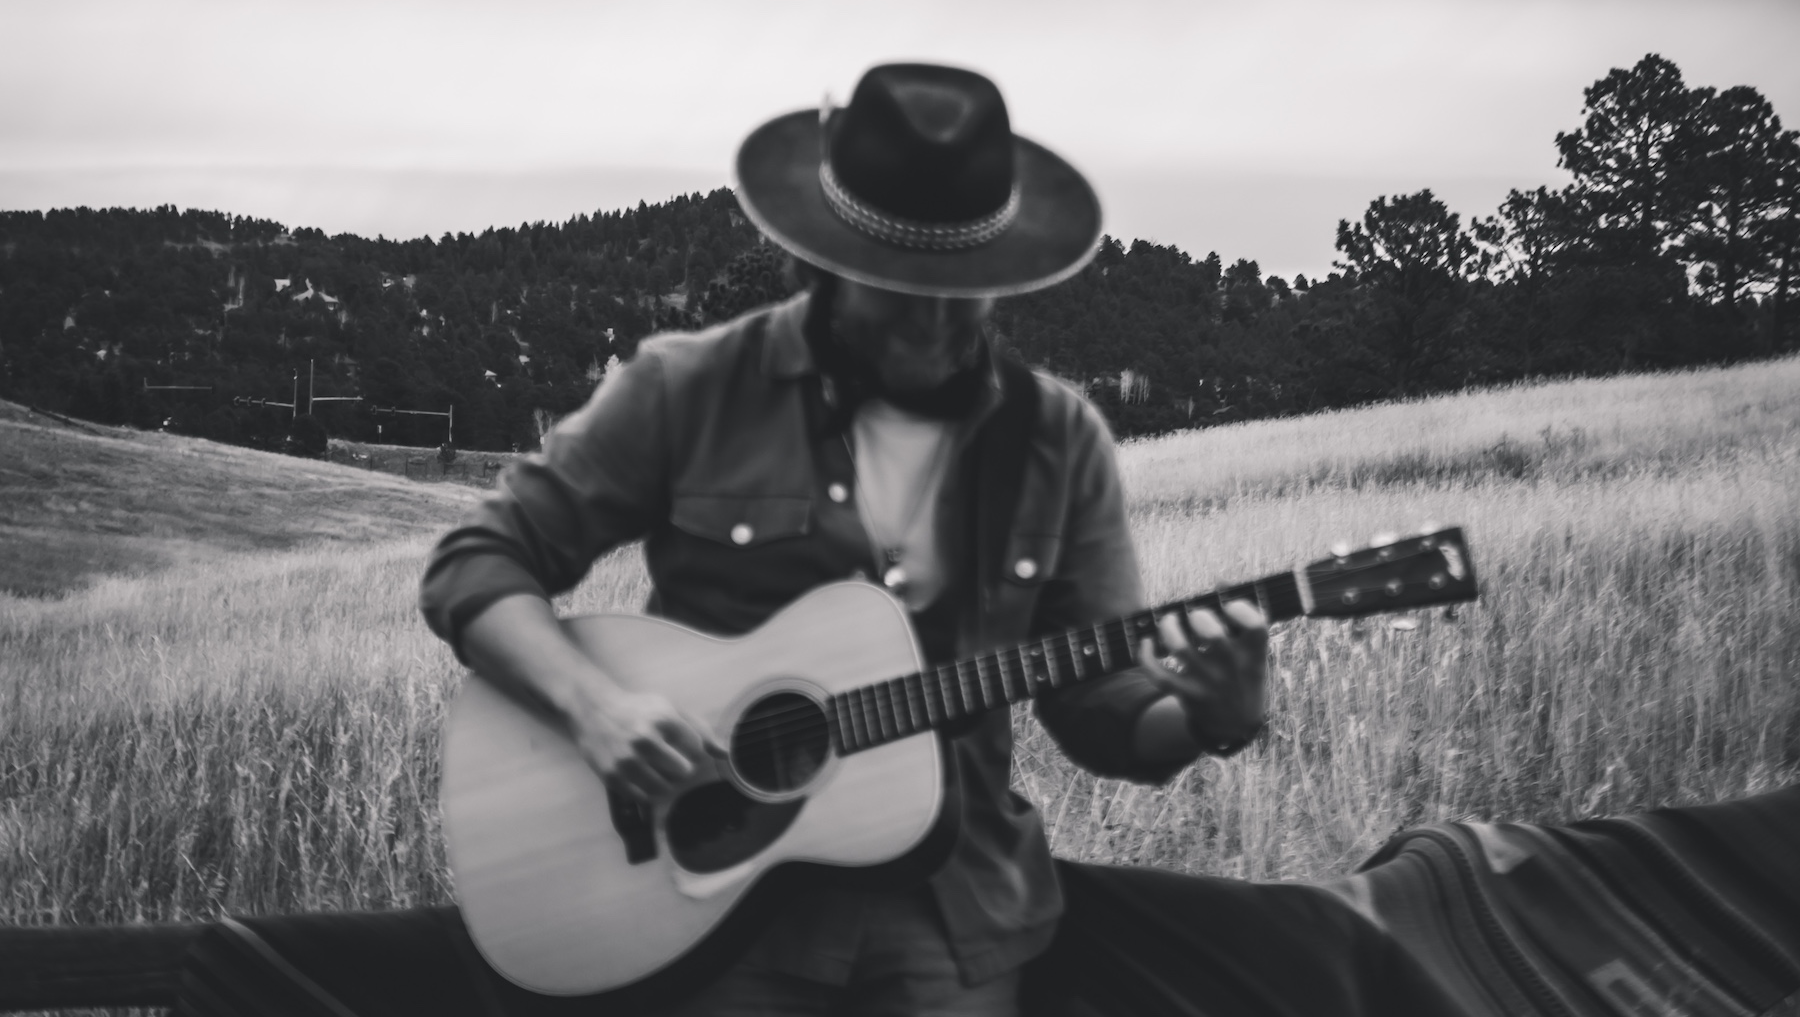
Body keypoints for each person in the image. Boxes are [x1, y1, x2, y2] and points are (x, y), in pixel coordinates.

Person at [418, 62, 1270, 1016]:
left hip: (957, 922)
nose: (938, 322)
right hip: (711, 911)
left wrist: (1204, 718)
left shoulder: (1056, 438)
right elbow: (475, 566)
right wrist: (594, 711)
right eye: (903, 291)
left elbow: (1096, 703)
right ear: (822, 266)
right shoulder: (688, 389)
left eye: (967, 291)